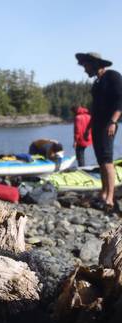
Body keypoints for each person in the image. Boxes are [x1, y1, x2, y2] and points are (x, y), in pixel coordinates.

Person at [76, 52, 122, 211]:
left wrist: (113, 121)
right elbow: (95, 108)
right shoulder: (97, 82)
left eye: (86, 66)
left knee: (107, 160)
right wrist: (88, 128)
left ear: (95, 64)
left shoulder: (112, 76)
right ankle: (103, 193)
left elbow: (120, 99)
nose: (84, 70)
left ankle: (110, 198)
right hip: (97, 125)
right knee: (101, 161)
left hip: (108, 124)